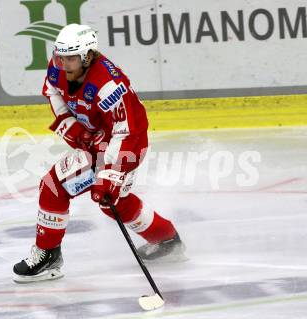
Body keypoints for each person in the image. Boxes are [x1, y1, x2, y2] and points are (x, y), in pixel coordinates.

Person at [13, 24, 186, 283]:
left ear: (88, 56)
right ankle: (167, 240)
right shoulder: (58, 66)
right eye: (60, 57)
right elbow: (52, 90)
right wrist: (69, 123)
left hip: (125, 145)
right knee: (113, 204)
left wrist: (110, 174)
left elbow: (126, 133)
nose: (63, 64)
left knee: (54, 186)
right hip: (98, 141)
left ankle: (48, 256)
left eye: (70, 58)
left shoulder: (109, 86)